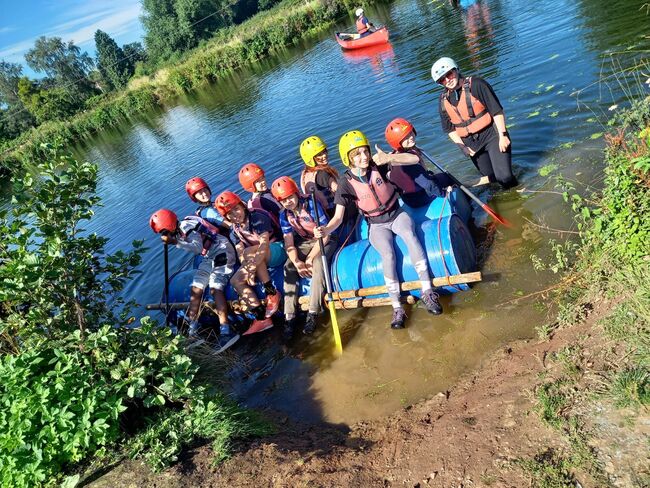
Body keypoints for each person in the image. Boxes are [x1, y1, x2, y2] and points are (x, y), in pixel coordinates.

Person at [314, 130, 443, 330]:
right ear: (348, 158)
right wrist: (325, 230)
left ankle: (428, 291)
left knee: (410, 235)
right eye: (357, 154)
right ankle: (397, 307)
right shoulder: (345, 183)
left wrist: (389, 157)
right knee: (388, 254)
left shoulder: (378, 165)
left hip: (396, 214)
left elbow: (413, 158)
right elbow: (338, 218)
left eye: (364, 151)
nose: (364, 157)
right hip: (376, 224)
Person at [149, 208, 239, 352]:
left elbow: (197, 248)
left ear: (169, 225)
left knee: (216, 288)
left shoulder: (186, 226)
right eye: (162, 233)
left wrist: (175, 242)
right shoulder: (179, 230)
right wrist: (175, 240)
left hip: (222, 250)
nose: (164, 235)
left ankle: (226, 331)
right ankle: (193, 332)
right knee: (196, 289)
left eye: (164, 231)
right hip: (209, 256)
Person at [431, 57, 517, 189]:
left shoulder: (477, 84)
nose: (447, 80)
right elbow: (450, 129)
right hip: (472, 145)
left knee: (504, 177)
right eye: (442, 79)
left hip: (492, 136)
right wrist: (463, 147)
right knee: (491, 178)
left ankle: (518, 188)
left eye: (449, 74)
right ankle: (505, 180)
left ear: (456, 70)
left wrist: (503, 135)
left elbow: (497, 111)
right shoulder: (443, 100)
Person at [271, 176, 337, 339]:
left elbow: (325, 236)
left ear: (296, 193)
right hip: (306, 242)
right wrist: (297, 262)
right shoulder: (284, 215)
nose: (288, 202)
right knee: (288, 267)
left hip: (325, 238)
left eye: (290, 197)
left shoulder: (312, 206)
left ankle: (313, 312)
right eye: (283, 200)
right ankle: (290, 316)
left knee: (318, 264)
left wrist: (308, 259)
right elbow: (289, 244)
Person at [214, 190, 284, 330]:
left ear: (243, 206)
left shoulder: (257, 217)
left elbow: (264, 244)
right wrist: (249, 268)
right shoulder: (235, 230)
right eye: (230, 214)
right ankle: (261, 318)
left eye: (237, 209)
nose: (235, 215)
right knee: (236, 280)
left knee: (250, 251)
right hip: (256, 258)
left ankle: (272, 292)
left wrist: (252, 269)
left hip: (277, 249)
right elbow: (241, 254)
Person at [377, 117, 454, 208]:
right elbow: (428, 184)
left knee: (432, 176)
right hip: (420, 199)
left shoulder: (394, 156)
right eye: (405, 137)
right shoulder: (409, 162)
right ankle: (467, 197)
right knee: (447, 177)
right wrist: (444, 193)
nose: (411, 138)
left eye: (410, 133)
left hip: (407, 199)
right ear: (397, 142)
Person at [299, 136, 339, 216]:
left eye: (324, 152)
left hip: (323, 214)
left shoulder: (304, 174)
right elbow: (340, 190)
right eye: (319, 155)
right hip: (335, 212)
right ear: (311, 159)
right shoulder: (322, 174)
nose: (324, 155)